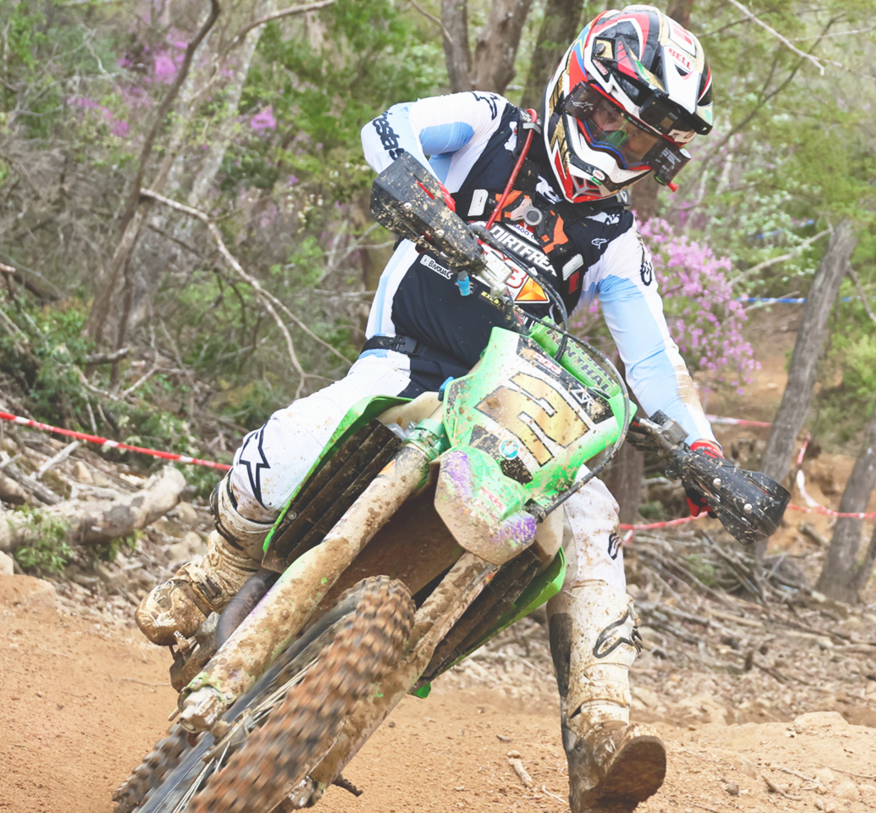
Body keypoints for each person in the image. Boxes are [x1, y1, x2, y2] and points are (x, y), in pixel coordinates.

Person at [136, 6, 718, 810]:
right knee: (308, 428)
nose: (620, 150)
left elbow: (652, 357)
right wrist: (416, 187)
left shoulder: (614, 238)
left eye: (643, 144)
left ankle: (599, 731)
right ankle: (217, 571)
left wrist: (706, 453)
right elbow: (390, 129)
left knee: (593, 514)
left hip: (510, 409)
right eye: (611, 124)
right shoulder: (491, 126)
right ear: (576, 91)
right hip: (406, 365)